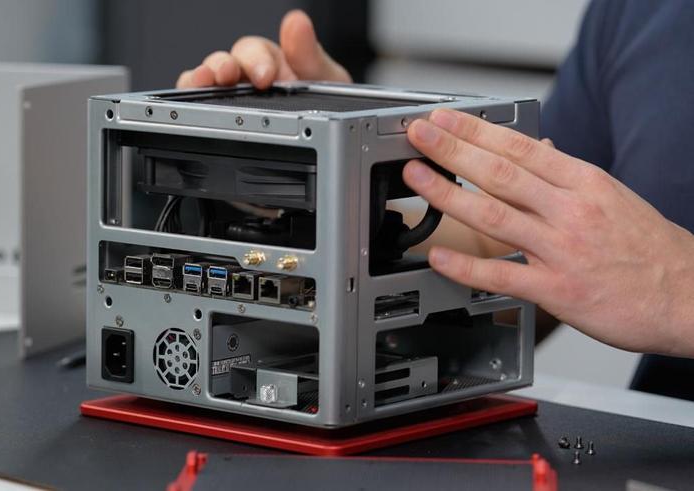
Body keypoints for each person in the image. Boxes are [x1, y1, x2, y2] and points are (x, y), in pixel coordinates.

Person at [175, 5, 694, 385]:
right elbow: (518, 249)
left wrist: (678, 290)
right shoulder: (639, 13)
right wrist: (334, 193)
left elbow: (638, 272)